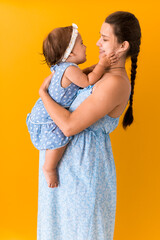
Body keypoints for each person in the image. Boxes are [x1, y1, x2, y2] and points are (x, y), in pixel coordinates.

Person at [37, 11, 141, 240]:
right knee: (57, 230)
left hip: (83, 171)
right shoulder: (101, 71)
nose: (97, 43)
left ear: (122, 46)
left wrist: (43, 94)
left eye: (104, 39)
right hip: (66, 168)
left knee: (81, 232)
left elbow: (69, 127)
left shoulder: (115, 83)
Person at [26, 23, 118, 188]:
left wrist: (97, 67)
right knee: (59, 139)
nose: (86, 46)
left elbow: (83, 75)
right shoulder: (69, 70)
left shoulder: (67, 68)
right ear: (71, 52)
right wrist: (102, 65)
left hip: (44, 110)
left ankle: (49, 166)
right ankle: (49, 167)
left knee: (60, 137)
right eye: (81, 43)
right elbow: (87, 81)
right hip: (48, 116)